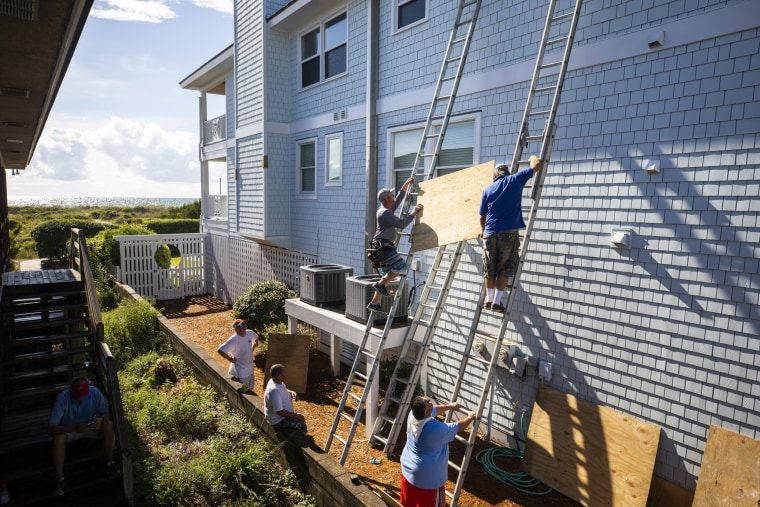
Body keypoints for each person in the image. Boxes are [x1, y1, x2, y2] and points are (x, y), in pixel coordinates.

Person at [479, 155, 542, 312]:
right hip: (508, 233)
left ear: (495, 175)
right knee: (506, 267)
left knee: (490, 267)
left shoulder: (487, 189)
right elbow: (537, 165)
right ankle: (497, 302)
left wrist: (482, 231)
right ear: (507, 173)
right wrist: (532, 157)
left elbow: (482, 216)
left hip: (489, 234)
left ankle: (489, 299)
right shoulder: (515, 180)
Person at [399, 396, 476, 507]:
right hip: (427, 480)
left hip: (408, 472)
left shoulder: (413, 414)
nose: (429, 400)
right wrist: (470, 417)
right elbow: (458, 426)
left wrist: (449, 406)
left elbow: (433, 410)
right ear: (426, 412)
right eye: (428, 402)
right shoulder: (434, 429)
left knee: (409, 504)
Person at [48, 377, 118, 497]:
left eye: (84, 394)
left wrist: (101, 419)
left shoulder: (94, 392)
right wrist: (74, 428)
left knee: (109, 426)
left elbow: (106, 414)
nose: (81, 398)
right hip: (69, 429)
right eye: (78, 395)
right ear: (71, 391)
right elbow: (51, 428)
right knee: (58, 439)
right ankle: (60, 478)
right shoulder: (62, 398)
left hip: (90, 426)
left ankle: (110, 463)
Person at [367, 177, 424, 313]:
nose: (393, 196)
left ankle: (374, 302)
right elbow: (401, 225)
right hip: (384, 247)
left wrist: (404, 185)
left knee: (387, 275)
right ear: (386, 199)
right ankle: (379, 285)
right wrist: (413, 213)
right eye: (391, 195)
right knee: (401, 267)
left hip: (382, 246)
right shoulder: (385, 213)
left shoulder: (385, 209)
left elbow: (398, 200)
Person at [264, 364, 308, 433]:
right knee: (301, 425)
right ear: (280, 376)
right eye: (284, 373)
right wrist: (295, 416)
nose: (286, 374)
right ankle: (299, 442)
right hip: (278, 420)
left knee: (301, 418)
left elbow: (283, 388)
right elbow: (280, 411)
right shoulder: (274, 391)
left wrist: (291, 392)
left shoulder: (276, 381)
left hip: (281, 416)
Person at [217, 318, 259, 392]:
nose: (244, 325)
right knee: (244, 390)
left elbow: (256, 339)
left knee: (250, 388)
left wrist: (252, 349)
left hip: (249, 366)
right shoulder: (234, 339)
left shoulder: (250, 333)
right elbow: (220, 350)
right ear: (236, 329)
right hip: (241, 370)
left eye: (244, 323)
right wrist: (230, 359)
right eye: (241, 325)